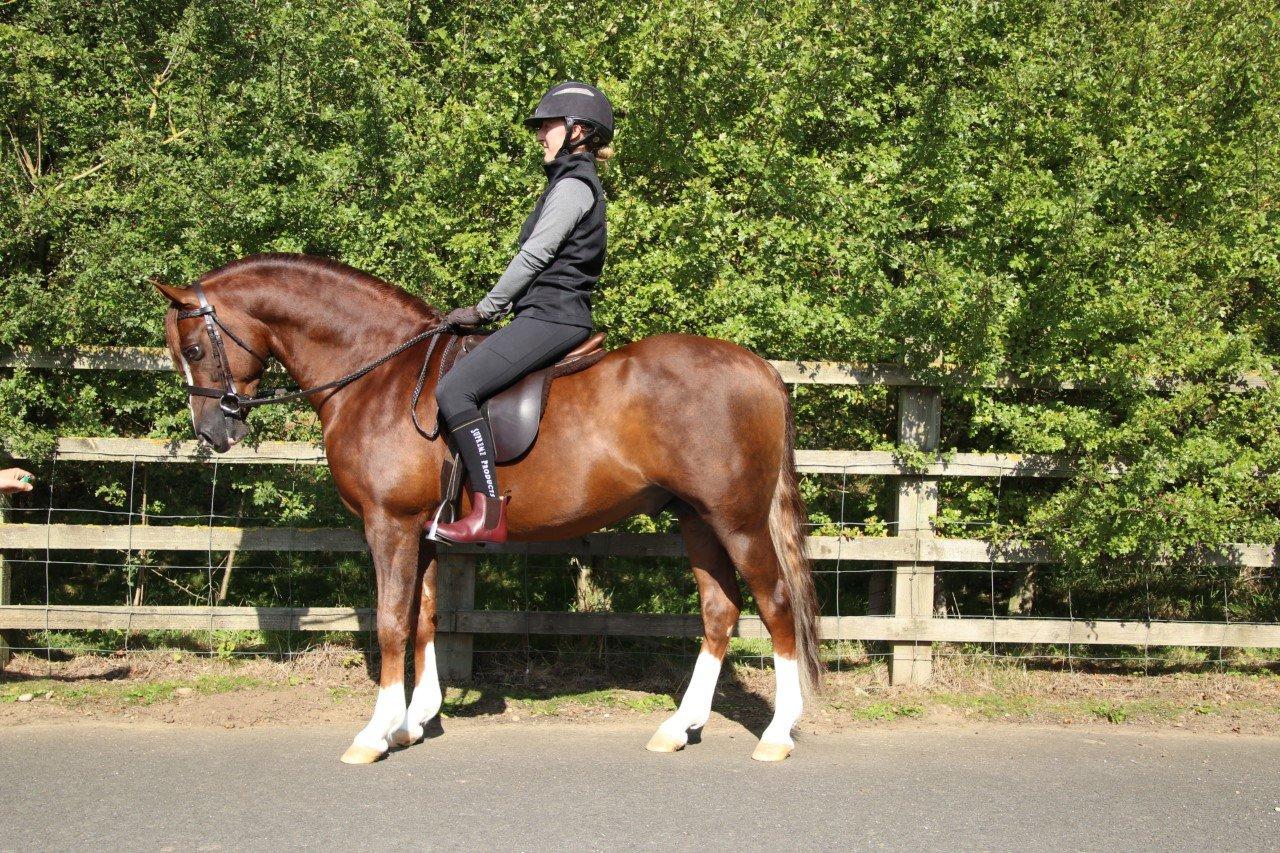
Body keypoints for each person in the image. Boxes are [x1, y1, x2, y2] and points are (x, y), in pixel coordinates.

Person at [429, 81, 614, 545]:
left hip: (553, 316)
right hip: (544, 313)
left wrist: (484, 310)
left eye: (549, 125)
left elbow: (534, 257)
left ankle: (487, 513)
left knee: (455, 389)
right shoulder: (567, 183)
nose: (541, 135)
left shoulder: (573, 186)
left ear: (579, 130)